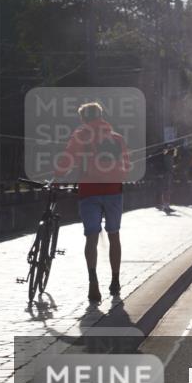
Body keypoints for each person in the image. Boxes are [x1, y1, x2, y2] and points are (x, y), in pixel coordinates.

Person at [54, 101, 131, 303]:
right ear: (101, 116)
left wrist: (57, 177)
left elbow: (66, 160)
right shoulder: (117, 138)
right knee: (114, 235)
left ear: (83, 118)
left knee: (92, 237)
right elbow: (127, 166)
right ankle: (115, 280)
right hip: (114, 191)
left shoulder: (80, 136)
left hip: (89, 192)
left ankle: (93, 282)